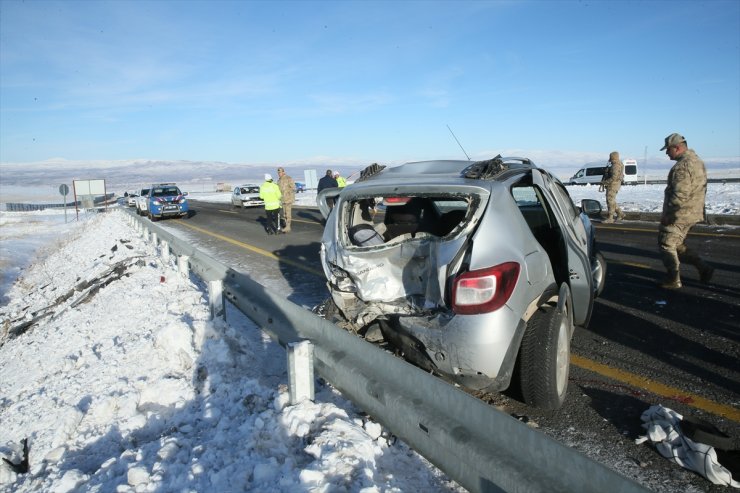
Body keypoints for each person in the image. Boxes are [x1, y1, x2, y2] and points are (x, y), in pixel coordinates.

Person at [657, 133, 713, 289]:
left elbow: (679, 194)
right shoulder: (697, 161)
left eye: (668, 149)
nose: (667, 153)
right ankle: (704, 268)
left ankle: (673, 279)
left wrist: (669, 215)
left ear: (677, 147)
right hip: (693, 211)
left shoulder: (683, 166)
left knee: (666, 243)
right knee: (677, 244)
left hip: (681, 214)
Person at [601, 151, 625, 223]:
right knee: (612, 201)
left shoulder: (616, 166)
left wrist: (605, 182)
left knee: (610, 201)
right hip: (614, 185)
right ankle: (620, 214)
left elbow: (614, 177)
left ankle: (610, 218)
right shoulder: (618, 164)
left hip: (613, 185)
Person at [276, 167, 296, 233]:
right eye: (278, 172)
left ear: (283, 172)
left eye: (280, 172)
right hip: (282, 199)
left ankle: (288, 226)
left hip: (288, 199)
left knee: (288, 214)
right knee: (284, 214)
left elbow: (293, 188)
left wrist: (289, 194)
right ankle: (286, 226)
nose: (279, 173)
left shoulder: (288, 178)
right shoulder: (278, 180)